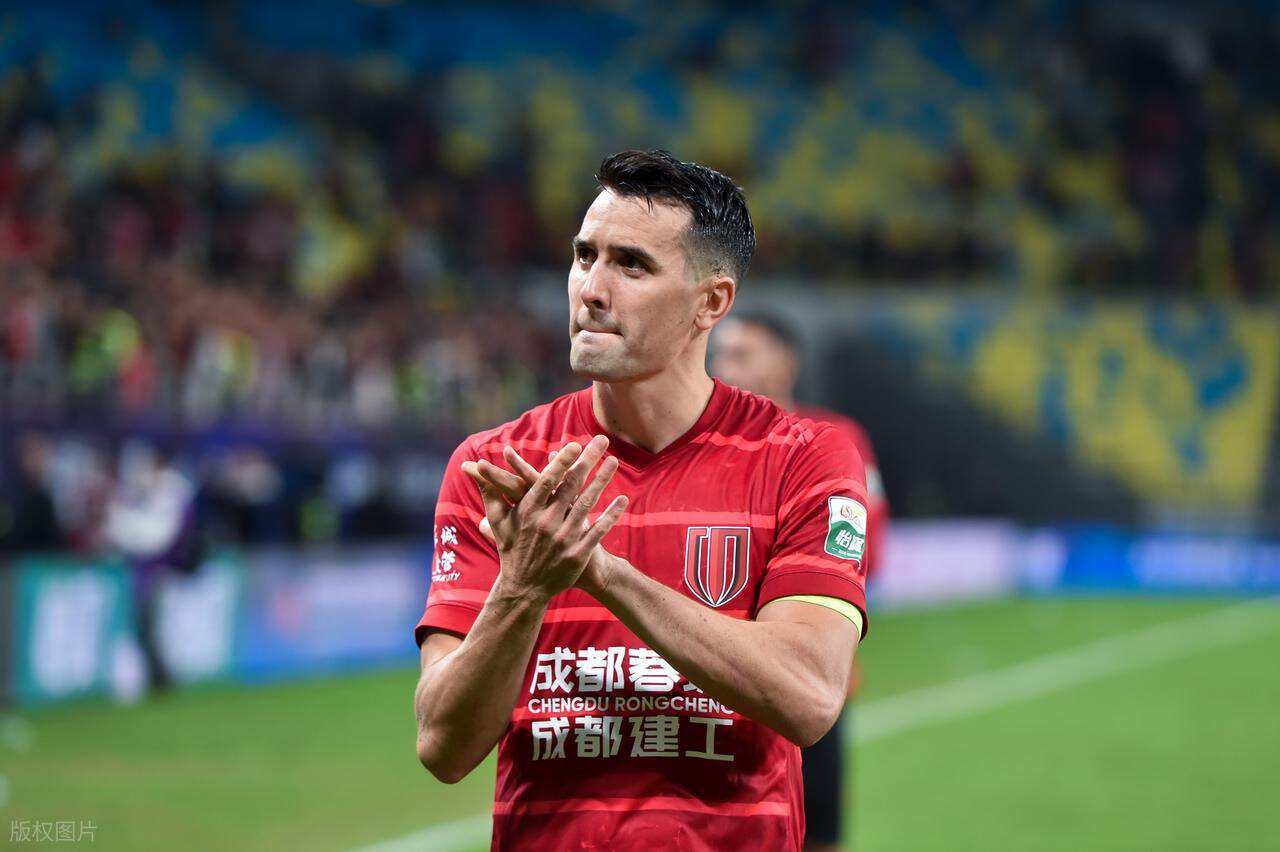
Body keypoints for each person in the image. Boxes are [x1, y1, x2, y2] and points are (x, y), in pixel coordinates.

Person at [413, 150, 872, 850]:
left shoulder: (803, 458)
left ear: (711, 303)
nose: (592, 290)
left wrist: (598, 570)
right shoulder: (497, 466)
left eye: (631, 265)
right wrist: (522, 589)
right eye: (583, 256)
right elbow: (443, 747)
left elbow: (808, 697)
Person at [713, 313, 890, 851]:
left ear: (785, 362)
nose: (724, 368)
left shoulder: (836, 440)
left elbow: (866, 545)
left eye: (741, 354)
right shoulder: (704, 444)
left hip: (807, 671)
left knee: (816, 832)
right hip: (716, 676)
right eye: (719, 355)